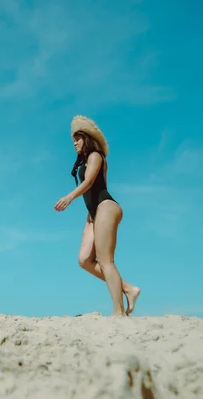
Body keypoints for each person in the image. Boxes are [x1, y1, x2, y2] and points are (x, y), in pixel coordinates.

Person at [54, 115, 140, 316]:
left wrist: (70, 197)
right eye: (73, 139)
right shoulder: (86, 160)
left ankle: (118, 312)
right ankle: (128, 289)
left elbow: (91, 182)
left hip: (106, 206)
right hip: (95, 212)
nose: (74, 142)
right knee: (84, 260)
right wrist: (91, 214)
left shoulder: (96, 155)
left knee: (105, 260)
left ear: (87, 138)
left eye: (78, 138)